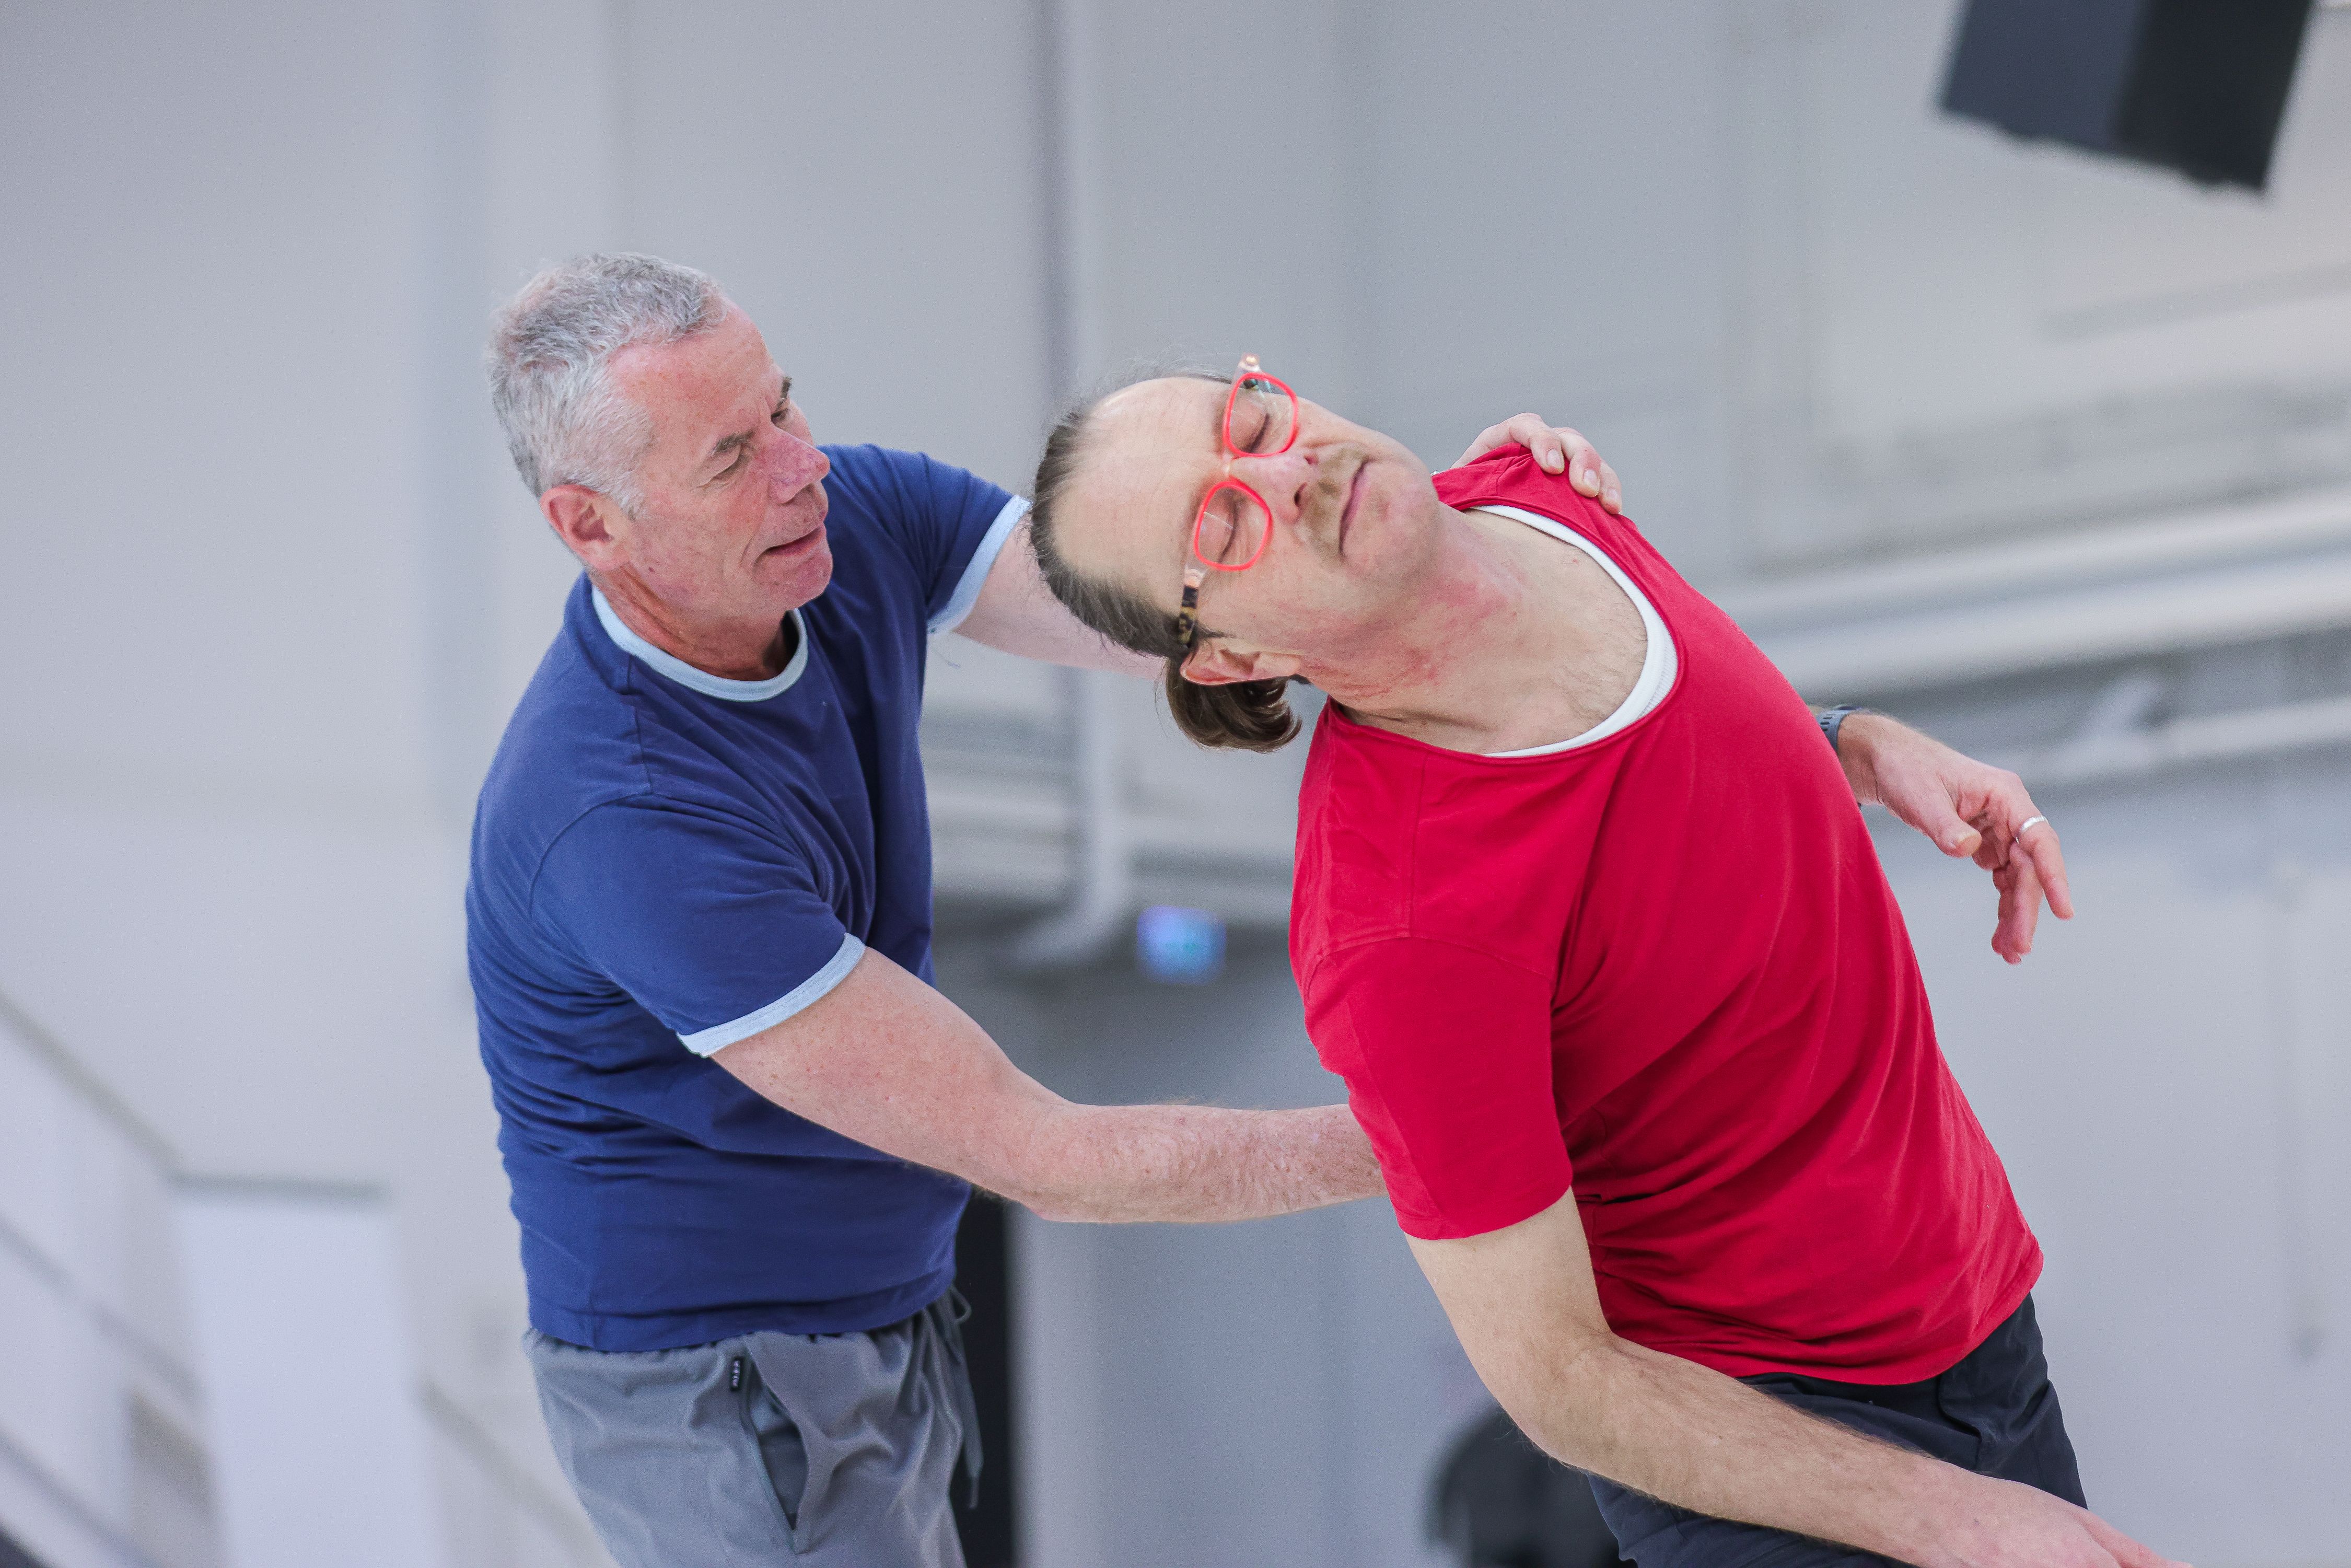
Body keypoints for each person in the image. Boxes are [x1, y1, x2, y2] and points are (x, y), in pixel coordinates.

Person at [470, 253, 1654, 1568]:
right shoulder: (618, 818)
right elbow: (1048, 1153)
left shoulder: (842, 523)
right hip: (708, 1369)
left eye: (785, 404)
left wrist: (1461, 529)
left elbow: (1170, 604)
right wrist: (1455, 1122)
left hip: (891, 1300)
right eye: (733, 455)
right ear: (592, 526)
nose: (803, 465)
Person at [1025, 358, 2184, 1568]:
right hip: (1769, 1454)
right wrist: (1954, 1515)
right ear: (1228, 657)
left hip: (1977, 1315)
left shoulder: (1536, 488)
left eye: (1253, 417)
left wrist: (1854, 742)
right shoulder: (1399, 924)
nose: (1290, 472)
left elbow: (1651, 759)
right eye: (1224, 524)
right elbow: (1557, 1379)